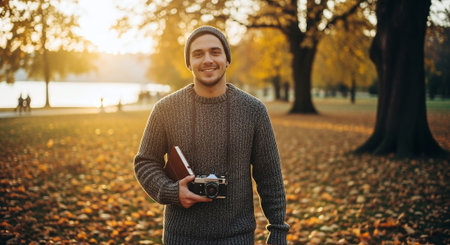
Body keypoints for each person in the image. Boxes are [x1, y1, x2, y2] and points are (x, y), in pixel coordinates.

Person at [134, 25, 289, 245]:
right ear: (188, 63)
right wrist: (171, 192)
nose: (207, 60)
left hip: (238, 238)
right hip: (180, 237)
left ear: (227, 59)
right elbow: (145, 162)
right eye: (198, 54)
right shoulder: (165, 109)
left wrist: (278, 230)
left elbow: (269, 176)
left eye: (215, 52)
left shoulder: (253, 110)